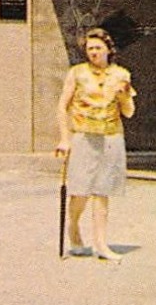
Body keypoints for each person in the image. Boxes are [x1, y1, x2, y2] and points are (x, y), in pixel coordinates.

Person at [55, 27, 136, 261]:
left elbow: (129, 113)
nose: (93, 52)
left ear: (108, 50)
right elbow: (63, 106)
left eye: (98, 48)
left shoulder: (121, 74)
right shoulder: (77, 73)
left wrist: (124, 94)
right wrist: (64, 138)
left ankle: (101, 244)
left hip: (111, 136)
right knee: (80, 190)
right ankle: (73, 228)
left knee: (102, 191)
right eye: (90, 48)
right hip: (83, 135)